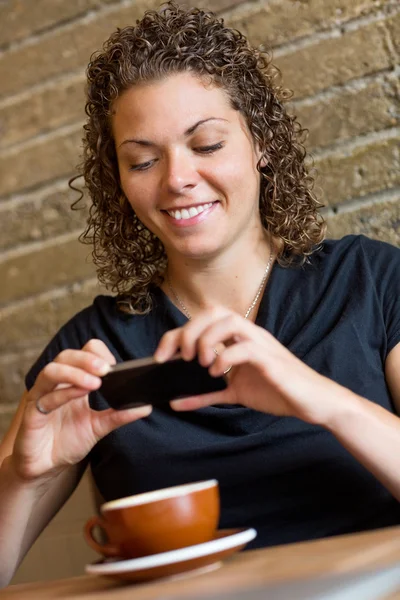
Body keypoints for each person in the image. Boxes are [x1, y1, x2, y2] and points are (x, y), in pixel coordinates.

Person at [1, 1, 400, 587]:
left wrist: (321, 399)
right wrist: (25, 479)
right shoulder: (92, 351)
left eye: (206, 144)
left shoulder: (371, 281)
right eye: (142, 160)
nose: (177, 179)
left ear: (260, 141)